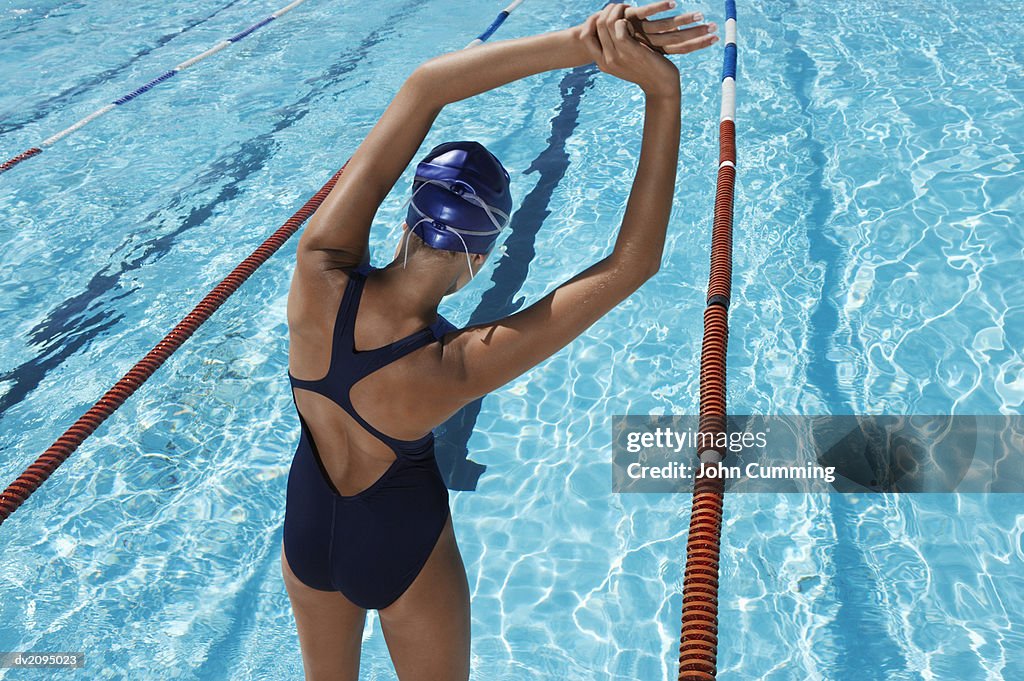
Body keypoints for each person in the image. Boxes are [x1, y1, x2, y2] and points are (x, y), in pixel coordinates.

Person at [281, 2, 719, 679]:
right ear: (479, 260)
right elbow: (632, 263)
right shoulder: (452, 368)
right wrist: (663, 92)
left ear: (406, 222)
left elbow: (426, 85)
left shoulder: (317, 271)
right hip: (401, 550)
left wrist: (580, 41)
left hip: (307, 530)